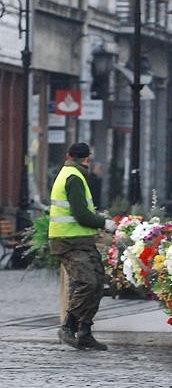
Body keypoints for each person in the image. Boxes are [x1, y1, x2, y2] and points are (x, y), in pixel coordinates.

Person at [49, 142, 116, 351]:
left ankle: (85, 331)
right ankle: (68, 326)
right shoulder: (74, 178)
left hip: (80, 240)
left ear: (68, 155)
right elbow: (81, 215)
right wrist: (104, 223)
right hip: (68, 241)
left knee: (98, 282)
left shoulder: (72, 174)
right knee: (87, 282)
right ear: (88, 158)